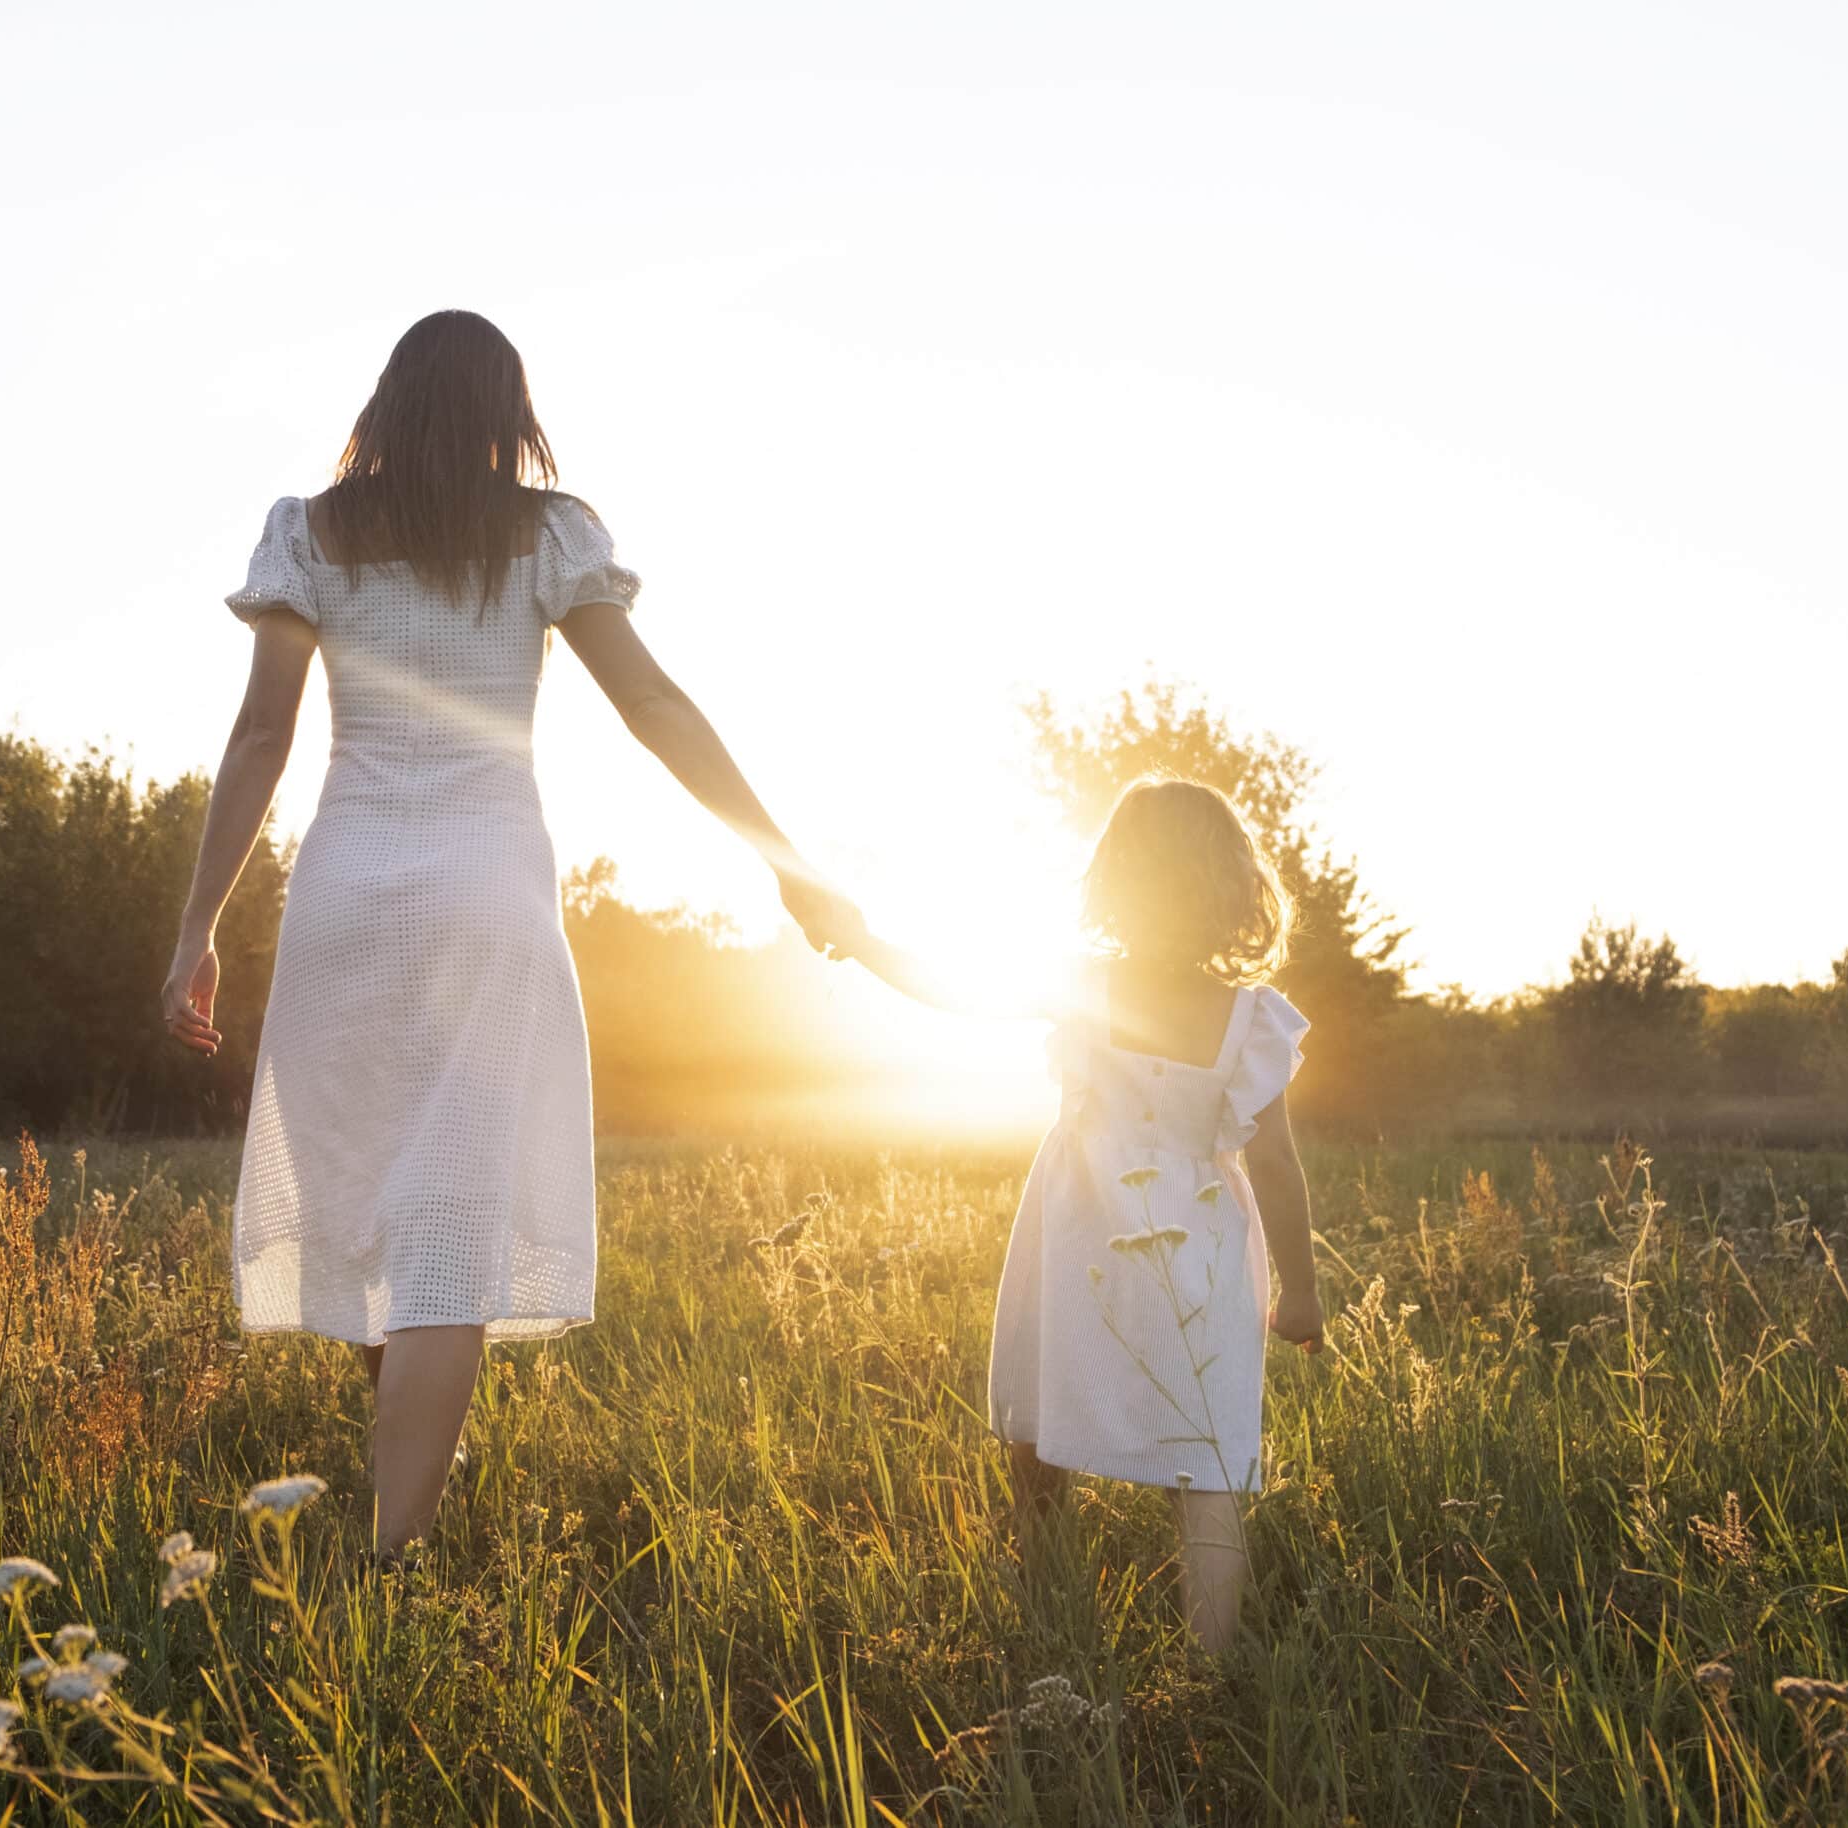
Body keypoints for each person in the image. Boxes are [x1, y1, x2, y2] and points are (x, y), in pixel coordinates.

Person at [162, 310, 860, 1565]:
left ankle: (403, 1487)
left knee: (376, 1196)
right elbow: (652, 703)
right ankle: (394, 1552)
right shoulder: (546, 535)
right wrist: (786, 860)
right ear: (505, 415)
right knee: (448, 1224)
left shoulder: (312, 534)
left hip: (347, 898)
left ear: (387, 404)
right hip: (487, 895)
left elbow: (259, 737)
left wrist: (196, 927)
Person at [849, 777, 1322, 1650]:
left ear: (1116, 881)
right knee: (1210, 1447)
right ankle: (1208, 1662)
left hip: (1079, 1231)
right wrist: (1301, 1291)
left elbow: (953, 987)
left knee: (1045, 1412)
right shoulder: (1251, 1020)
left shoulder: (1080, 984)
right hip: (1205, 1242)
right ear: (1233, 887)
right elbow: (1278, 1165)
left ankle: (1042, 1601)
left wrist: (863, 942)